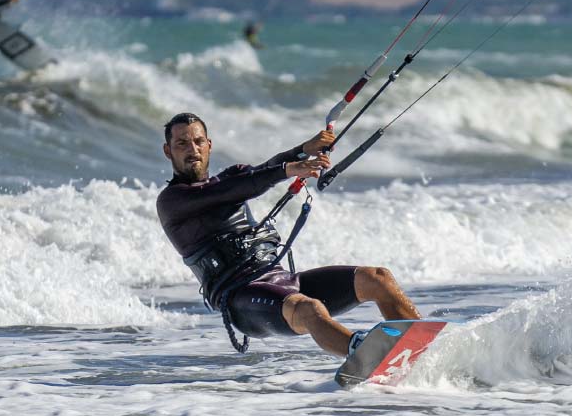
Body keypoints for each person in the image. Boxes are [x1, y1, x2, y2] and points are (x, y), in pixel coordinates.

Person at [156, 112, 421, 356]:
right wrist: (287, 171)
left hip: (281, 280)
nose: (193, 150)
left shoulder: (231, 177)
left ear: (209, 144)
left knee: (377, 278)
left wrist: (303, 150)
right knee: (310, 308)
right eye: (182, 144)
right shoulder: (171, 201)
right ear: (168, 151)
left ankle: (423, 346)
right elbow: (232, 191)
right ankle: (365, 356)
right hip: (241, 298)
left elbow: (260, 171)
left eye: (198, 141)